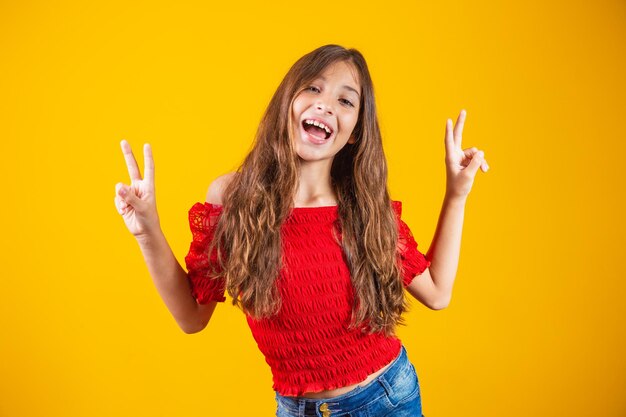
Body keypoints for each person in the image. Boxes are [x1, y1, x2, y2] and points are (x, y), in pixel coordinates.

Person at [114, 44, 489, 417]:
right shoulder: (232, 197)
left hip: (385, 400)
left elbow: (438, 292)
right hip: (296, 409)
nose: (325, 104)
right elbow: (192, 317)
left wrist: (457, 193)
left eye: (346, 101)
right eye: (313, 87)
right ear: (287, 102)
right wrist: (147, 232)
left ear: (355, 132)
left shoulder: (365, 207)